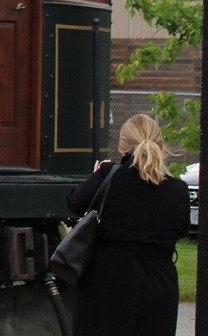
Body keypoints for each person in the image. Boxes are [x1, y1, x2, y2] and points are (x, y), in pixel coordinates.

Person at [66, 113, 189, 336]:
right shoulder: (178, 190)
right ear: (161, 146)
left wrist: (96, 177)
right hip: (158, 284)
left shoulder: (108, 176)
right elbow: (181, 229)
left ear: (123, 147)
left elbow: (75, 202)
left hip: (109, 282)